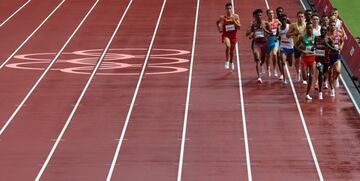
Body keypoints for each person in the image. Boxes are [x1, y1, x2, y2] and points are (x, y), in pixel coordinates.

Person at [216, 2, 241, 70]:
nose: (229, 10)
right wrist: (219, 29)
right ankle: (227, 61)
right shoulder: (223, 17)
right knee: (228, 46)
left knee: (232, 51)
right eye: (227, 9)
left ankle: (231, 62)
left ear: (232, 8)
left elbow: (239, 27)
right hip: (226, 35)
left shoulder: (236, 16)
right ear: (225, 9)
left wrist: (234, 21)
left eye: (230, 8)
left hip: (233, 36)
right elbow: (217, 22)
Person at [295, 22, 316, 100]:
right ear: (306, 29)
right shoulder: (302, 37)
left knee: (311, 76)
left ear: (312, 29)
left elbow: (318, 47)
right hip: (304, 59)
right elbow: (296, 46)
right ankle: (305, 74)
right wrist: (303, 51)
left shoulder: (315, 38)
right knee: (305, 78)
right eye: (308, 28)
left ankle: (307, 93)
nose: (309, 30)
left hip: (312, 59)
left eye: (311, 28)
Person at [246, 9, 268, 83]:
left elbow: (271, 33)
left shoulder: (265, 23)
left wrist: (265, 30)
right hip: (256, 43)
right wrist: (252, 32)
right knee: (257, 58)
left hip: (264, 43)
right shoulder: (253, 24)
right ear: (254, 16)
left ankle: (261, 65)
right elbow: (247, 34)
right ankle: (259, 77)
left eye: (260, 15)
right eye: (257, 15)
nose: (259, 16)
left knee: (262, 59)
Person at [327, 20, 344, 97]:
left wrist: (340, 46)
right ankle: (332, 89)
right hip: (329, 56)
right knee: (330, 73)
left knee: (337, 70)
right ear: (329, 26)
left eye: (334, 25)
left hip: (337, 55)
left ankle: (336, 78)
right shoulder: (327, 35)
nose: (333, 26)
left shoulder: (339, 34)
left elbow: (342, 41)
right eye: (331, 25)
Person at [288, 11, 306, 82]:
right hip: (296, 46)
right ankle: (298, 72)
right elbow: (287, 35)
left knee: (304, 61)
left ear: (304, 17)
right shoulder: (293, 25)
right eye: (299, 16)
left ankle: (305, 75)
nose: (301, 18)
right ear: (297, 17)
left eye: (302, 16)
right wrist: (294, 33)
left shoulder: (306, 25)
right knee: (297, 60)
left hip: (305, 46)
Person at [314, 26, 330, 100]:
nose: (323, 32)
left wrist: (329, 46)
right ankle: (320, 92)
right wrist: (313, 47)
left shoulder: (328, 39)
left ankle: (325, 81)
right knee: (320, 72)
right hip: (318, 59)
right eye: (321, 30)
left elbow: (333, 47)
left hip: (326, 59)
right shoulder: (316, 38)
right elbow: (314, 45)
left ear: (326, 31)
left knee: (324, 73)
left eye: (324, 31)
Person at [278, 14, 294, 84]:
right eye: (282, 19)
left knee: (290, 64)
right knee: (283, 61)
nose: (284, 20)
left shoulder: (289, 26)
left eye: (285, 19)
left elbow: (295, 32)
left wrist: (290, 34)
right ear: (280, 20)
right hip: (283, 47)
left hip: (290, 47)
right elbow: (277, 35)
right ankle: (284, 78)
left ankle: (287, 58)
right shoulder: (278, 28)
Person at [265, 9, 281, 77]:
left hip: (275, 40)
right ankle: (268, 69)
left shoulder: (277, 21)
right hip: (268, 41)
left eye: (272, 13)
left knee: (274, 54)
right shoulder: (265, 23)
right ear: (267, 14)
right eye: (269, 13)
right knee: (267, 56)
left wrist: (278, 34)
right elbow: (264, 32)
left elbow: (281, 26)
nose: (271, 14)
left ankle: (274, 69)